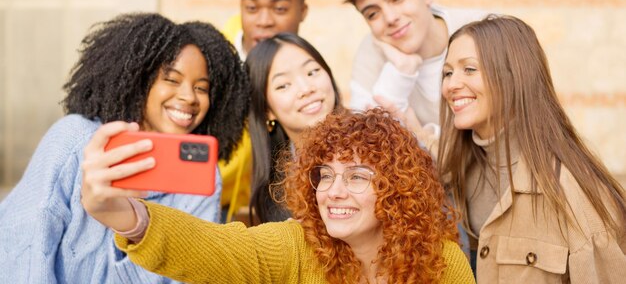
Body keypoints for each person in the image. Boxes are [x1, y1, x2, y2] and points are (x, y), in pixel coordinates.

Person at [80, 108, 476, 283]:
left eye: (357, 177)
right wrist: (127, 215)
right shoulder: (299, 246)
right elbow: (216, 248)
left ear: (397, 189)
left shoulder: (442, 263)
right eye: (325, 175)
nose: (334, 192)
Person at [0, 13, 250, 283]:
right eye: (172, 80)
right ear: (139, 80)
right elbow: (22, 241)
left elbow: (188, 275)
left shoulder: (201, 178)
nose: (189, 96)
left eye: (202, 88)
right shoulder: (74, 139)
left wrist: (133, 226)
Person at [438, 15, 626, 283]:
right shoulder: (451, 174)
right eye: (447, 72)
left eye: (469, 69)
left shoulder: (572, 191)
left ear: (514, 76)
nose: (452, 85)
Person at [345, 0, 487, 147]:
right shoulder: (370, 53)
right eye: (372, 14)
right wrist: (401, 71)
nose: (390, 18)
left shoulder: (482, 31)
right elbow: (365, 142)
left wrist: (418, 133)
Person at [220, 0, 308, 221]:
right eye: (252, 7)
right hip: (205, 199)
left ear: (302, 12)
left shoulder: (305, 70)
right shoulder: (211, 61)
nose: (264, 20)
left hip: (269, 207)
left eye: (279, 9)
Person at [246, 32, 341, 224]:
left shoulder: (371, 150)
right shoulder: (274, 191)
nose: (306, 89)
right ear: (266, 110)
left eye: (312, 72)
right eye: (283, 85)